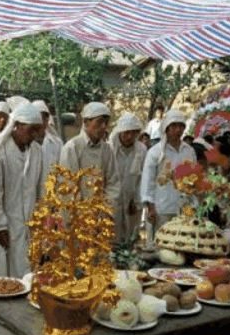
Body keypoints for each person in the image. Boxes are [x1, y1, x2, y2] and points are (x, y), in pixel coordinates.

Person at [0, 103, 44, 279]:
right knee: (2, 278)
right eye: (31, 130)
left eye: (37, 131)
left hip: (28, 227)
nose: (34, 135)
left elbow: (40, 189)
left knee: (27, 277)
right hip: (4, 227)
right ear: (17, 126)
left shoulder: (37, 152)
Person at [140, 109, 196, 246]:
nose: (178, 130)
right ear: (166, 128)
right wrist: (150, 207)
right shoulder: (155, 152)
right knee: (160, 245)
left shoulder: (189, 151)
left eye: (181, 126)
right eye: (174, 126)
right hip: (161, 208)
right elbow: (147, 181)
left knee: (182, 245)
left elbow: (195, 178)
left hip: (184, 208)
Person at [59, 102, 120, 206]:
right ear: (86, 122)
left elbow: (113, 182)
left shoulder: (107, 150)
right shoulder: (72, 147)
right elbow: (68, 185)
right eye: (99, 122)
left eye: (106, 123)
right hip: (79, 215)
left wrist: (106, 207)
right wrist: (83, 213)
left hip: (102, 214)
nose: (103, 126)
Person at [108, 112, 147, 245]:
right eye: (126, 133)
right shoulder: (109, 149)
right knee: (112, 235)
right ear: (120, 132)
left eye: (133, 133)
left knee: (131, 235)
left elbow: (142, 178)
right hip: (112, 200)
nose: (129, 137)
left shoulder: (141, 150)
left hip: (132, 199)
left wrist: (136, 200)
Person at [33, 100, 63, 180]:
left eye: (44, 118)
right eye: (38, 119)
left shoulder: (57, 144)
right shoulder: (24, 144)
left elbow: (61, 169)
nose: (41, 122)